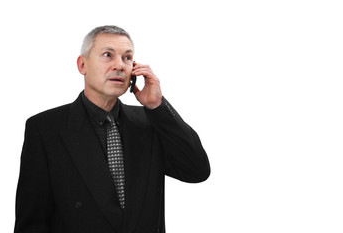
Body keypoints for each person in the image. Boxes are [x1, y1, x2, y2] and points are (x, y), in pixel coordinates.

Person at [14, 25, 210, 233]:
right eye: (108, 55)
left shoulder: (150, 122)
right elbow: (32, 221)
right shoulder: (46, 128)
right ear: (82, 65)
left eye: (127, 58)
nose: (120, 65)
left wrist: (157, 106)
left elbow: (197, 171)